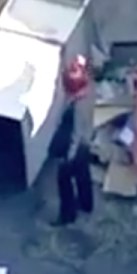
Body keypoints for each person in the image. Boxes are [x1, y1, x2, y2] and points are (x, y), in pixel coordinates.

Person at [49, 55, 94, 226]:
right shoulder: (89, 93)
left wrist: (69, 156)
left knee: (64, 180)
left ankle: (68, 215)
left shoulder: (76, 106)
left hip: (74, 147)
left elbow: (75, 133)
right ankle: (86, 204)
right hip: (86, 142)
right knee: (83, 175)